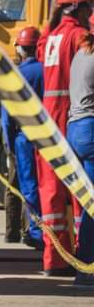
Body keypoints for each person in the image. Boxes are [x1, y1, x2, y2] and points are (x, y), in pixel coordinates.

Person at [36, 0, 94, 276]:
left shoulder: (50, 37)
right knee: (81, 193)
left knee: (51, 192)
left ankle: (53, 259)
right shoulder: (81, 36)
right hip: (70, 117)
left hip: (46, 119)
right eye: (89, 5)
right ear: (80, 6)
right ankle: (85, 259)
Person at [2, 27, 44, 249]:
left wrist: (9, 144)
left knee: (28, 187)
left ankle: (37, 233)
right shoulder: (47, 70)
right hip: (49, 137)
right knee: (47, 185)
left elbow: (8, 117)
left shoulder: (15, 75)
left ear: (19, 47)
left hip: (24, 138)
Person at [66, 29, 94, 288]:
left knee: (89, 203)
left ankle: (84, 269)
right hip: (90, 128)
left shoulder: (80, 54)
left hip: (75, 128)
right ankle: (86, 271)